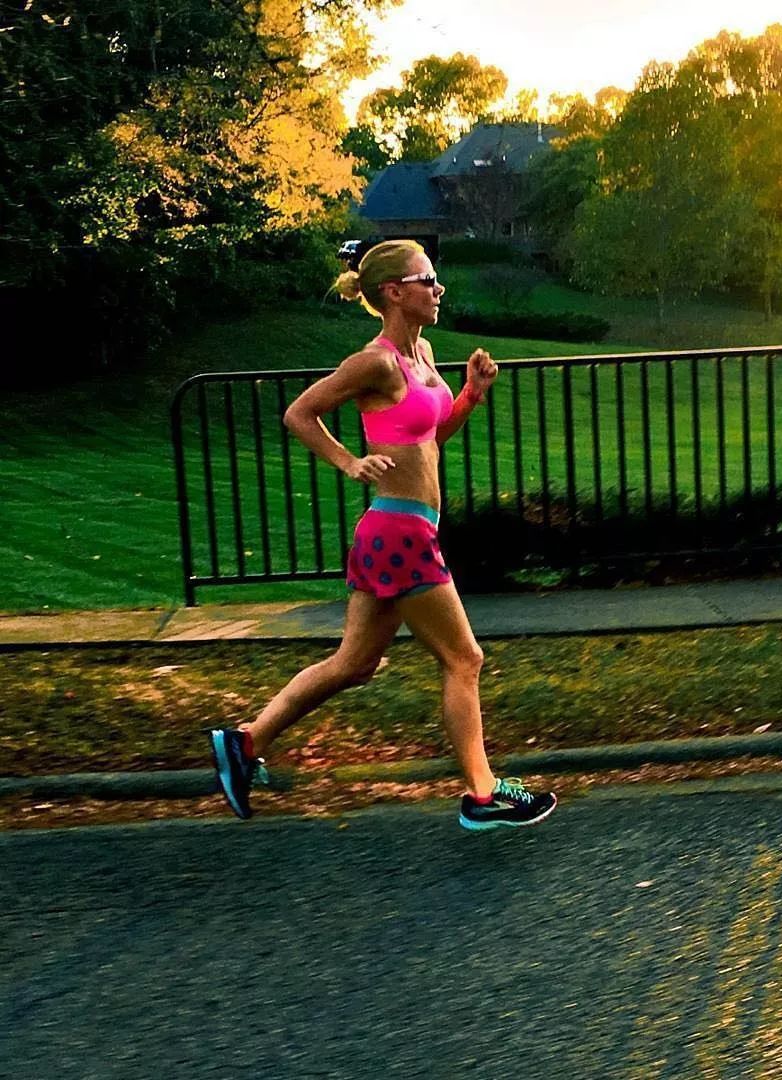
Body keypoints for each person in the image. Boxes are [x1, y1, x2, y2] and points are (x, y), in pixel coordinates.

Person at [208, 239, 556, 831]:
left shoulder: (422, 359)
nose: (438, 289)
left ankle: (245, 743)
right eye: (428, 280)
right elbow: (299, 413)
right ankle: (481, 794)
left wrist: (470, 394)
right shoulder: (376, 362)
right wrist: (349, 462)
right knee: (464, 658)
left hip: (398, 531)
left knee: (353, 663)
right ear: (395, 292)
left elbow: (428, 441)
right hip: (398, 532)